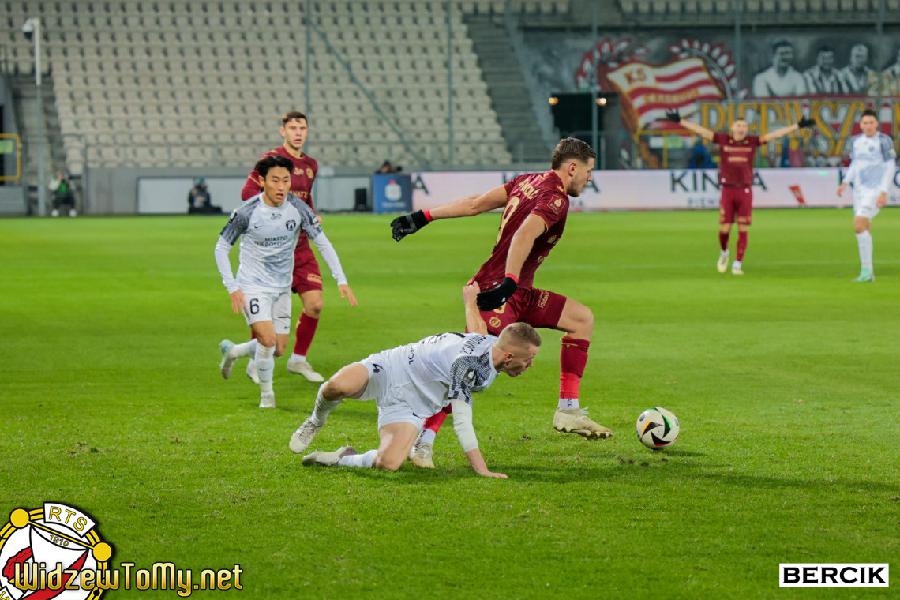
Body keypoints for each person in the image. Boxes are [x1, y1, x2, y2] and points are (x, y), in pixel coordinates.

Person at [388, 137, 610, 469]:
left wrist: (424, 216)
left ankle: (568, 409)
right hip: (497, 291)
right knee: (471, 369)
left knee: (581, 319)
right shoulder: (555, 199)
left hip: (518, 290)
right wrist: (508, 281)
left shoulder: (527, 181)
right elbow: (523, 235)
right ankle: (424, 439)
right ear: (572, 167)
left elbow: (476, 203)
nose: (589, 178)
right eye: (589, 171)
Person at [290, 283, 539, 478]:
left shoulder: (492, 346)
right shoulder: (467, 366)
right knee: (336, 386)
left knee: (388, 464)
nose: (530, 366)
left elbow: (477, 332)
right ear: (508, 357)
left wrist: (470, 303)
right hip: (393, 367)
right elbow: (462, 423)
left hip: (414, 406)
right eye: (528, 359)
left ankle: (342, 458)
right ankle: (315, 421)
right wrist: (482, 469)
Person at [215, 155, 354, 408]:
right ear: (262, 181)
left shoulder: (298, 208)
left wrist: (341, 279)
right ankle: (267, 397)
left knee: (278, 349)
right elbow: (221, 247)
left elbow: (322, 242)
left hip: (281, 287)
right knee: (267, 341)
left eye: (286, 181)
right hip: (253, 285)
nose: (281, 187)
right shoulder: (247, 212)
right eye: (275, 180)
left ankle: (234, 352)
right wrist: (232, 287)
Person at [241, 111, 357, 384]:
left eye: (302, 128)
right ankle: (255, 362)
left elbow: (305, 200)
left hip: (301, 247)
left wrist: (312, 215)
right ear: (283, 131)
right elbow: (247, 194)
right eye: (292, 128)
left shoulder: (310, 165)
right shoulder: (271, 161)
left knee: (315, 304)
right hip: (273, 250)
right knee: (266, 310)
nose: (298, 133)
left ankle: (298, 360)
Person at [666, 109, 816, 275]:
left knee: (743, 227)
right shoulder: (723, 139)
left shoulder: (752, 141)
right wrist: (680, 121)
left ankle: (737, 264)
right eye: (738, 125)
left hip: (745, 190)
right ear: (732, 127)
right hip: (728, 190)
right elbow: (702, 131)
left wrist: (797, 126)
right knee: (725, 228)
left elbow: (774, 135)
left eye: (744, 126)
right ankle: (724, 252)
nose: (742, 128)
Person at [836, 109, 896, 282]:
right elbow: (855, 164)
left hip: (875, 190)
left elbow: (890, 167)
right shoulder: (856, 142)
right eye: (865, 123)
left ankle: (867, 272)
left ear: (876, 124)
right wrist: (845, 182)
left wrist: (884, 191)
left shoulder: (884, 141)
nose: (868, 126)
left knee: (858, 224)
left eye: (871, 122)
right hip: (859, 191)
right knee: (865, 226)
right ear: (860, 125)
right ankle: (867, 271)